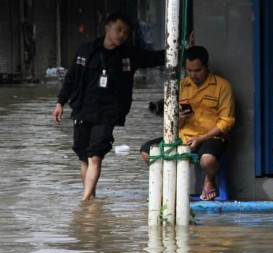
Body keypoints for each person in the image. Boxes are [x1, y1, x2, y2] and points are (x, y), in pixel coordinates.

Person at [52, 12, 164, 201]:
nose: (122, 35)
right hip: (83, 109)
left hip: (109, 112)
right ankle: (91, 197)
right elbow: (71, 79)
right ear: (107, 28)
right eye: (118, 29)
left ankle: (85, 200)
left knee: (95, 155)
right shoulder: (86, 51)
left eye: (126, 32)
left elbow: (158, 57)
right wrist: (60, 103)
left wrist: (185, 46)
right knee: (84, 156)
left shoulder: (129, 55)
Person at [140, 46, 235, 201]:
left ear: (207, 67)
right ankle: (165, 187)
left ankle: (209, 180)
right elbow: (174, 121)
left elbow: (227, 122)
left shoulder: (222, 86)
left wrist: (201, 139)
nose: (193, 75)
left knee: (207, 159)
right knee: (147, 151)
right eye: (189, 70)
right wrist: (180, 118)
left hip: (212, 138)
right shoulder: (182, 85)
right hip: (184, 136)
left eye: (197, 71)